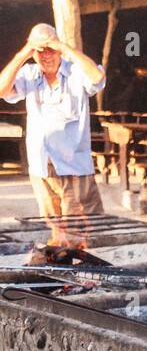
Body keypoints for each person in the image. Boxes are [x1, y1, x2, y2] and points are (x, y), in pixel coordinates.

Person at [0, 24, 105, 246]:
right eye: (40, 50)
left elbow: (97, 77)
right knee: (56, 231)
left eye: (51, 49)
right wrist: (23, 53)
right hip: (42, 167)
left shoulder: (76, 72)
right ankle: (64, 277)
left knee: (84, 231)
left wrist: (63, 47)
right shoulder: (29, 73)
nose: (47, 55)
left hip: (74, 166)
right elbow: (1, 90)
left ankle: (87, 276)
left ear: (59, 48)